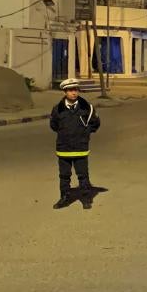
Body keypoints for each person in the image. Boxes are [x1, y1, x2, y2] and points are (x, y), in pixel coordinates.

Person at [50, 79, 101, 209]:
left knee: (83, 175)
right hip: (64, 148)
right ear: (65, 92)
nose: (74, 93)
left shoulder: (86, 107)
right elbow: (54, 125)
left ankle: (86, 198)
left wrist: (85, 133)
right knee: (64, 175)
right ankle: (64, 197)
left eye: (75, 90)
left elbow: (95, 123)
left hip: (81, 148)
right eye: (70, 90)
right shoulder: (57, 109)